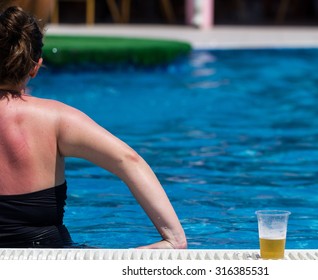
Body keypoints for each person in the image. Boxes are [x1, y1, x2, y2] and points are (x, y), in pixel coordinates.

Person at [0, 6, 187, 249]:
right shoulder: (56, 118)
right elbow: (128, 159)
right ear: (36, 67)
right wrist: (174, 240)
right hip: (50, 259)